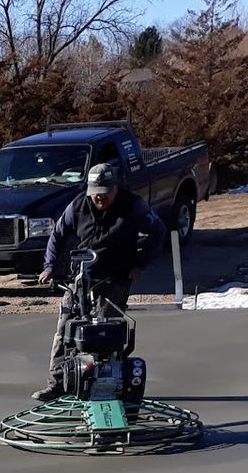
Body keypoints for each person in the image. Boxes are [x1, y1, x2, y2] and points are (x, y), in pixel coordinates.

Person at [32, 162, 167, 401]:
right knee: (65, 330)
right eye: (95, 192)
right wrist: (50, 266)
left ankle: (109, 384)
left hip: (115, 277)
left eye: (104, 193)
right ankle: (58, 384)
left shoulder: (132, 206)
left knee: (107, 333)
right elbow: (58, 235)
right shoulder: (78, 206)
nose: (99, 198)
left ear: (116, 188)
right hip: (82, 277)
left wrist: (140, 264)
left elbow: (158, 231)